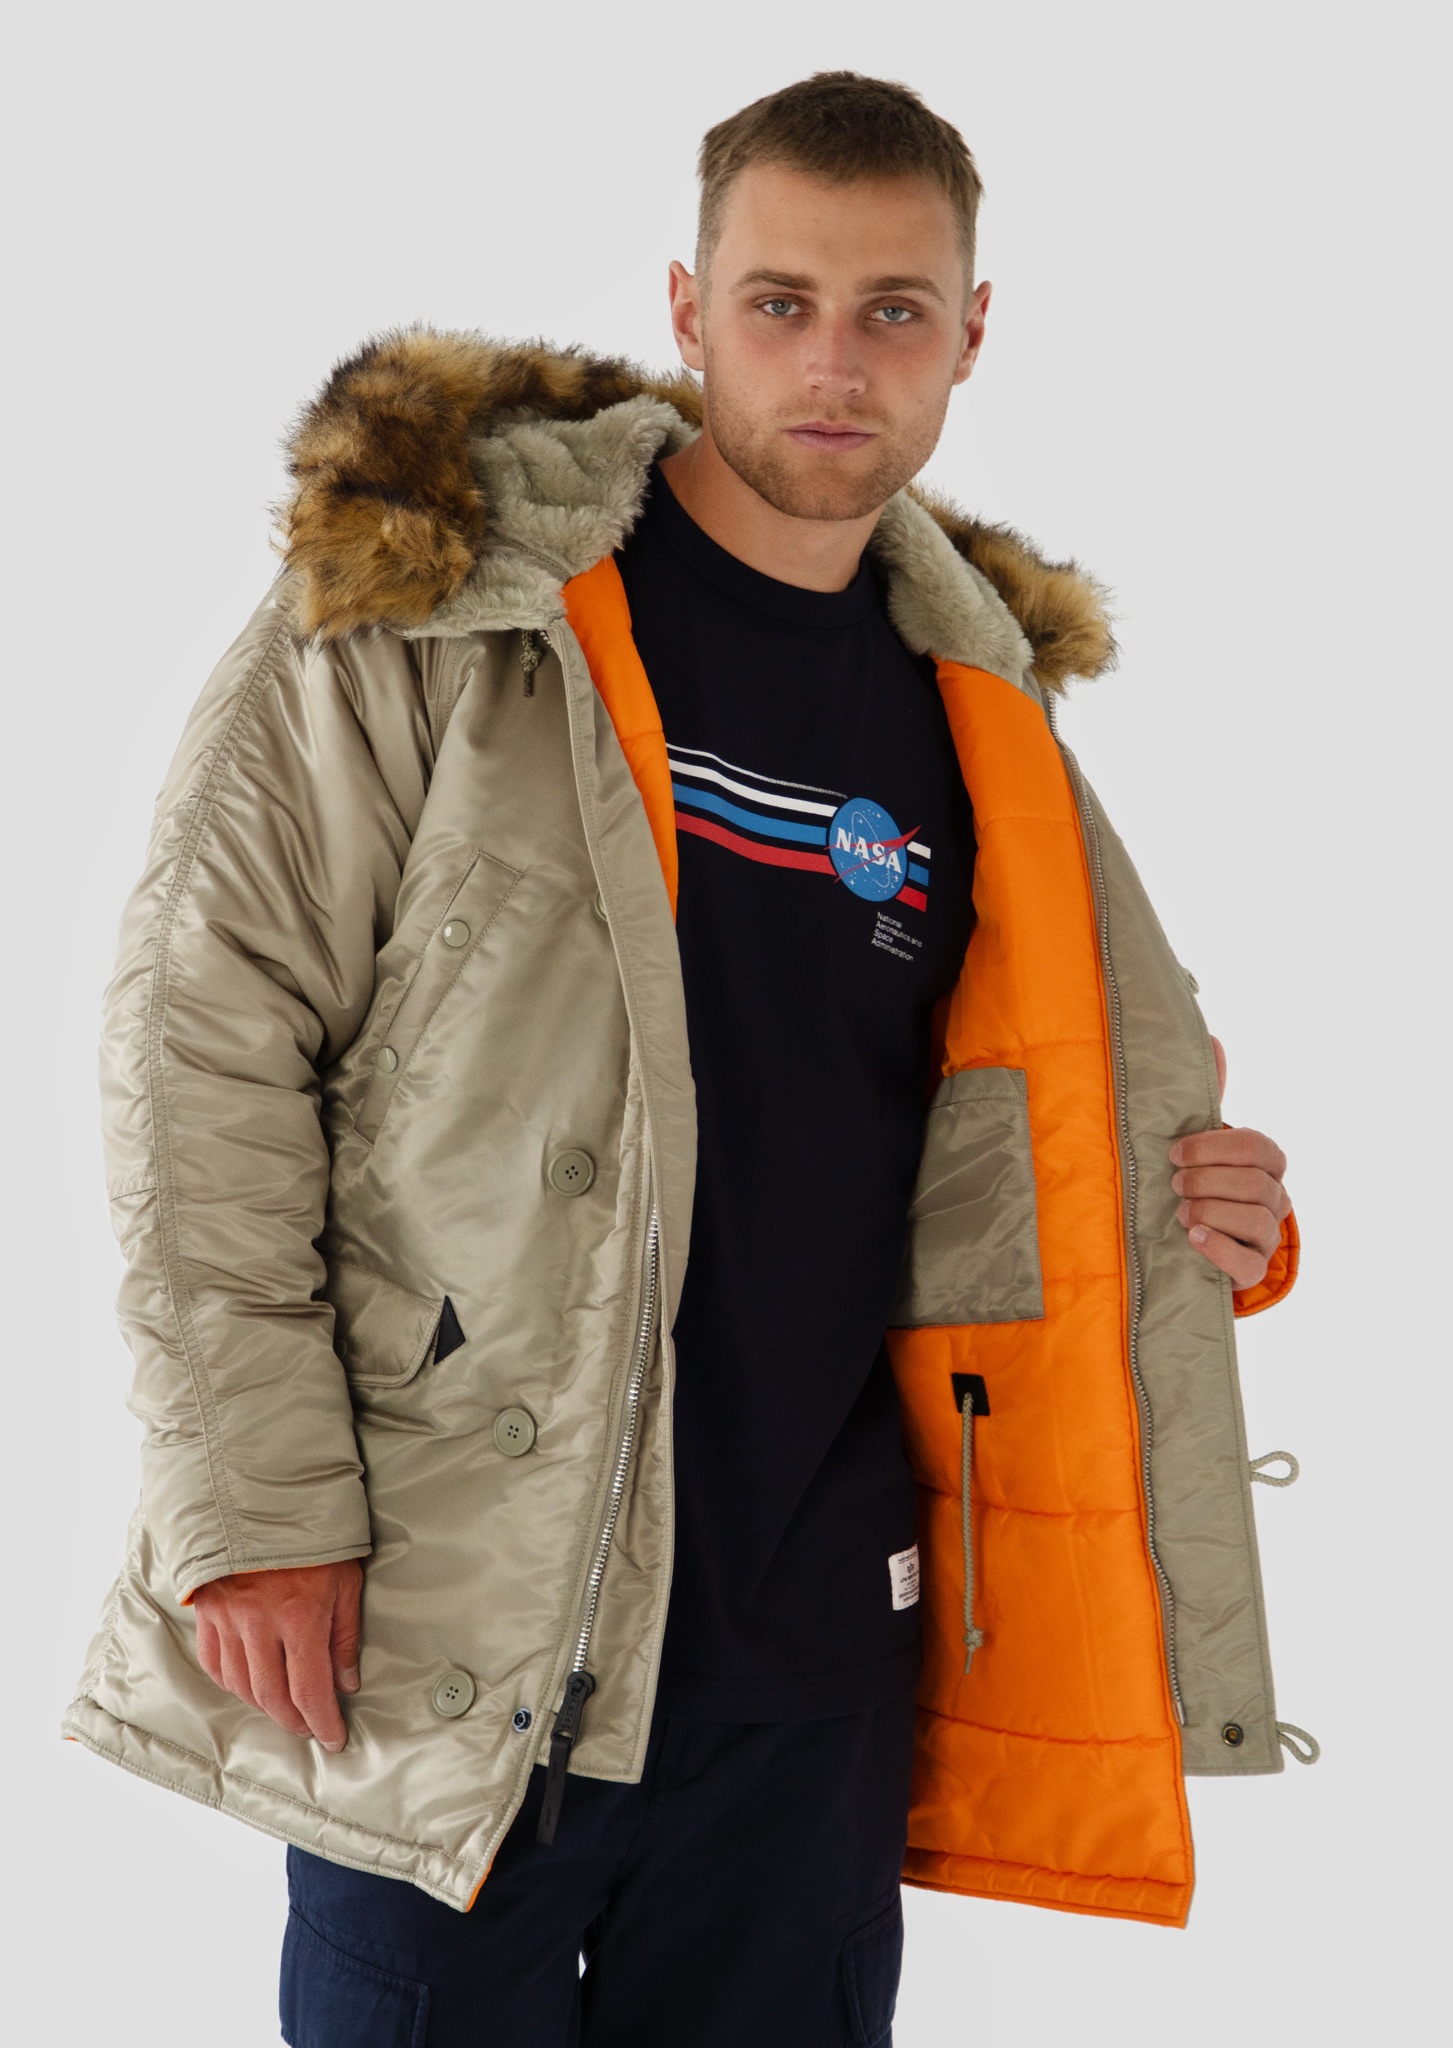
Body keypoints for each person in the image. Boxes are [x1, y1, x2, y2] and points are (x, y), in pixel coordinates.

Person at [65, 71, 1304, 2048]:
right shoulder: (447, 607)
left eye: (893, 310)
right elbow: (202, 1037)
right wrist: (254, 1497)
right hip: (462, 1610)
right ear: (687, 305)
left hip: (816, 1661)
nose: (836, 362)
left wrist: (1214, 1218)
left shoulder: (978, 719)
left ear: (972, 333)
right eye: (779, 302)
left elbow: (1014, 1148)